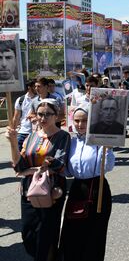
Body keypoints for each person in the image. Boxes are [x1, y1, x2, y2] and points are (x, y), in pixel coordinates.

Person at [5, 98, 70, 261]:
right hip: (29, 189)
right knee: (28, 233)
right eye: (40, 114)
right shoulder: (31, 136)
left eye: (48, 114)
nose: (43, 118)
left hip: (52, 189)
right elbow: (19, 165)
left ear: (56, 116)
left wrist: (28, 171)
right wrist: (13, 142)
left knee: (47, 234)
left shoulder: (63, 137)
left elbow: (58, 164)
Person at [59, 104, 115, 261]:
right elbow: (68, 171)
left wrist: (108, 150)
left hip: (98, 188)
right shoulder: (71, 142)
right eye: (77, 120)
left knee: (94, 234)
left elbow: (108, 167)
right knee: (72, 232)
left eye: (84, 120)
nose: (80, 124)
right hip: (77, 188)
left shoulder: (100, 141)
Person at [12, 79, 37, 151]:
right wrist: (13, 131)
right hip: (23, 131)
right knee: (17, 153)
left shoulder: (39, 99)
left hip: (36, 132)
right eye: (34, 86)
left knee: (33, 155)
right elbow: (16, 117)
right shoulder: (20, 100)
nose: (36, 88)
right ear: (29, 87)